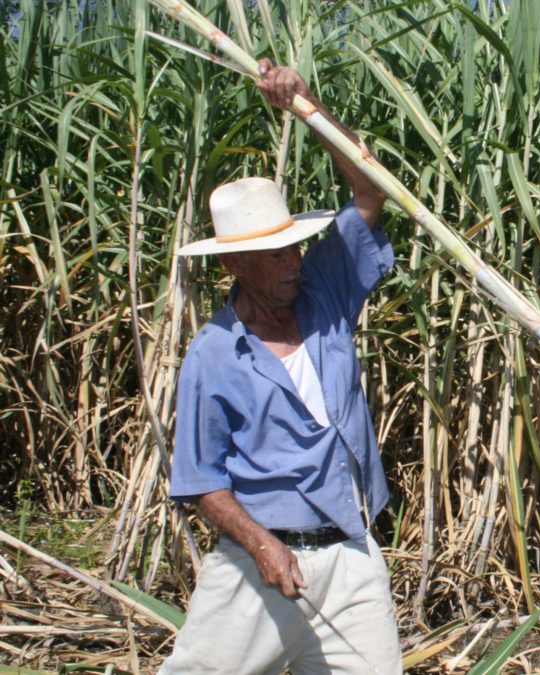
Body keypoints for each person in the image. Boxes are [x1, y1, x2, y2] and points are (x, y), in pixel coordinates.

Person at [159, 61, 402, 674]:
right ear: (237, 264)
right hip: (257, 567)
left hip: (351, 558)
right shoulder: (214, 356)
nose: (294, 260)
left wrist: (307, 108)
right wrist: (261, 545)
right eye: (275, 253)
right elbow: (200, 479)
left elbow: (371, 190)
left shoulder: (326, 293)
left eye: (294, 243)